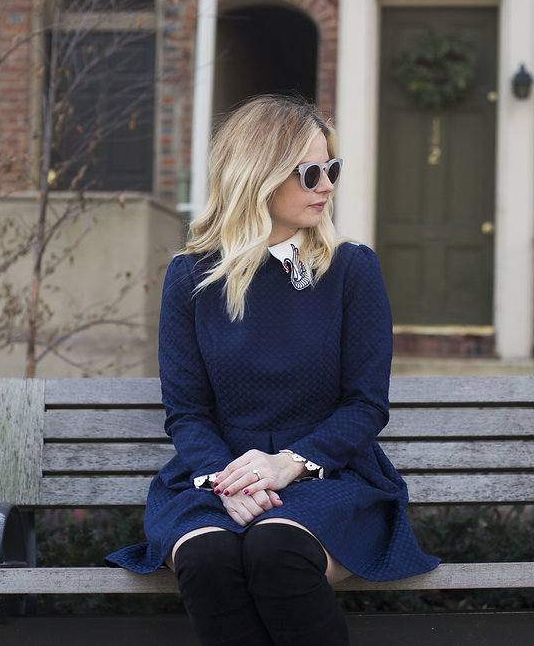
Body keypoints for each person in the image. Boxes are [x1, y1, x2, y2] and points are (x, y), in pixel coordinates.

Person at [105, 95, 439, 645]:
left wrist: (288, 465)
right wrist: (227, 480)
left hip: (329, 478)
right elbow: (187, 412)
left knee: (275, 548)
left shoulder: (351, 269)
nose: (327, 185)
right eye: (311, 172)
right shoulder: (191, 278)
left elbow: (365, 404)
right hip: (214, 480)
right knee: (209, 556)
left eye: (332, 169)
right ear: (258, 176)